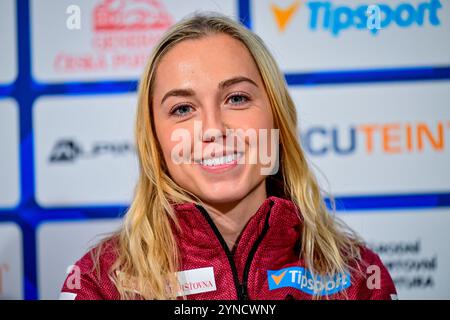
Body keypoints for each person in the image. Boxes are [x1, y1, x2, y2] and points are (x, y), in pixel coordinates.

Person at [60, 13, 397, 300]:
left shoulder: (357, 277)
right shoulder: (102, 283)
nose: (214, 128)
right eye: (182, 108)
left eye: (236, 98)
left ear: (276, 116)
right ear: (155, 139)